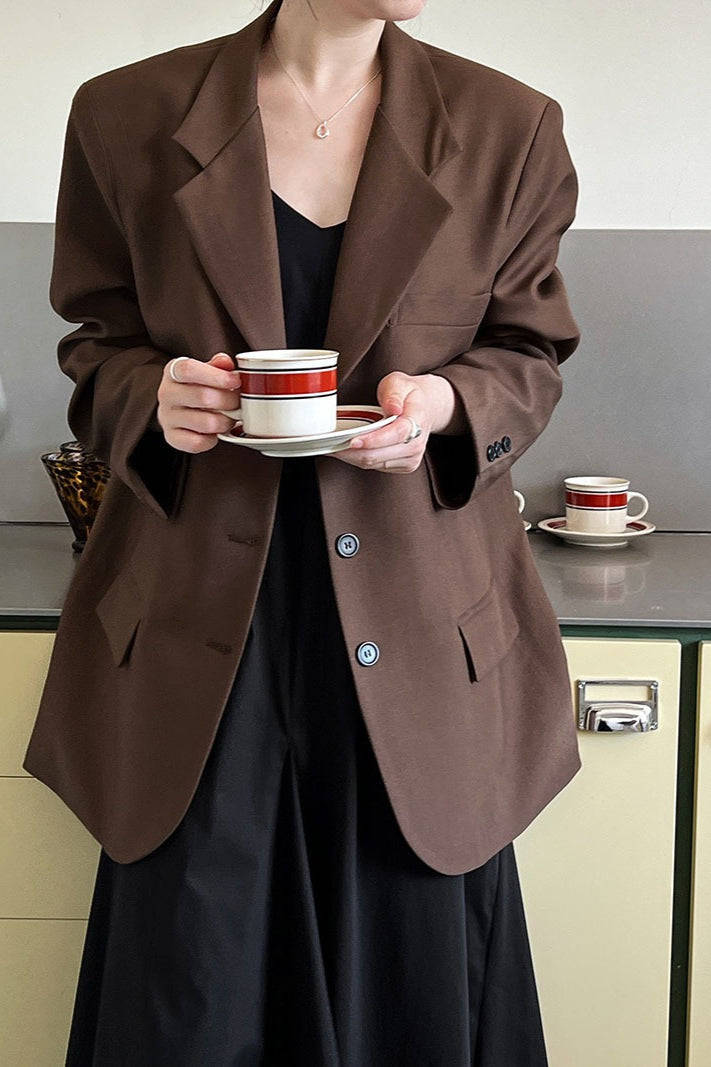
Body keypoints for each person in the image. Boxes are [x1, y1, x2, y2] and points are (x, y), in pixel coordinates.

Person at [24, 0, 582, 1062]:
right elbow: (97, 343)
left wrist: (443, 405)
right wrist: (152, 397)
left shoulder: (509, 127)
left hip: (419, 641)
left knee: (409, 990)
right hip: (192, 636)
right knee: (192, 987)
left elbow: (529, 352)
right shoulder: (125, 115)